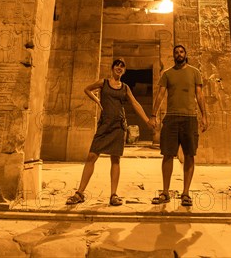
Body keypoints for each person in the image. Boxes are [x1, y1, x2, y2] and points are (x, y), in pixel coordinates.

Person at [66, 58, 151, 206]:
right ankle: (79, 193)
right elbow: (87, 89)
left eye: (122, 66)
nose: (119, 68)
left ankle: (113, 195)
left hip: (118, 126)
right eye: (117, 65)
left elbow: (135, 103)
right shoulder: (103, 83)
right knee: (91, 156)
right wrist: (97, 101)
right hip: (104, 125)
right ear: (112, 68)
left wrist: (147, 120)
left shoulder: (125, 87)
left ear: (124, 71)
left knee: (115, 159)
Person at [149, 45, 208, 206]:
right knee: (168, 155)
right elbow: (160, 95)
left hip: (189, 118)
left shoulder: (195, 72)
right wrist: (153, 115)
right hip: (172, 118)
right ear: (173, 55)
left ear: (185, 54)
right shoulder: (167, 74)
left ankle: (186, 193)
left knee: (189, 155)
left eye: (181, 52)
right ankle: (165, 192)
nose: (179, 54)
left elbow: (199, 95)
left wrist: (204, 116)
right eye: (176, 52)